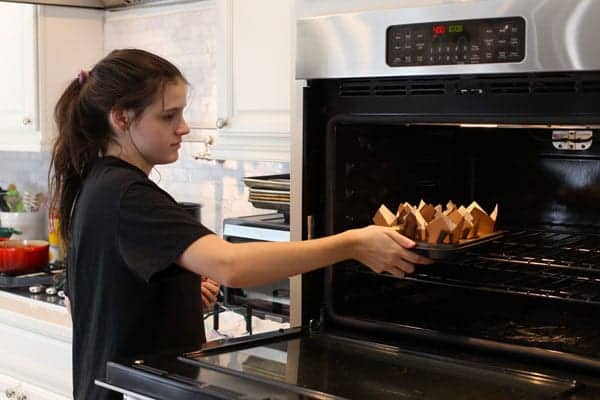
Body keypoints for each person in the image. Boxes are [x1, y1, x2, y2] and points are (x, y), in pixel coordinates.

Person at [49, 49, 432, 400]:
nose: (183, 128)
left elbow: (89, 300)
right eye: (168, 116)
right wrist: (351, 244)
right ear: (120, 118)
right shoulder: (127, 194)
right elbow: (232, 266)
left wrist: (177, 294)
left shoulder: (97, 182)